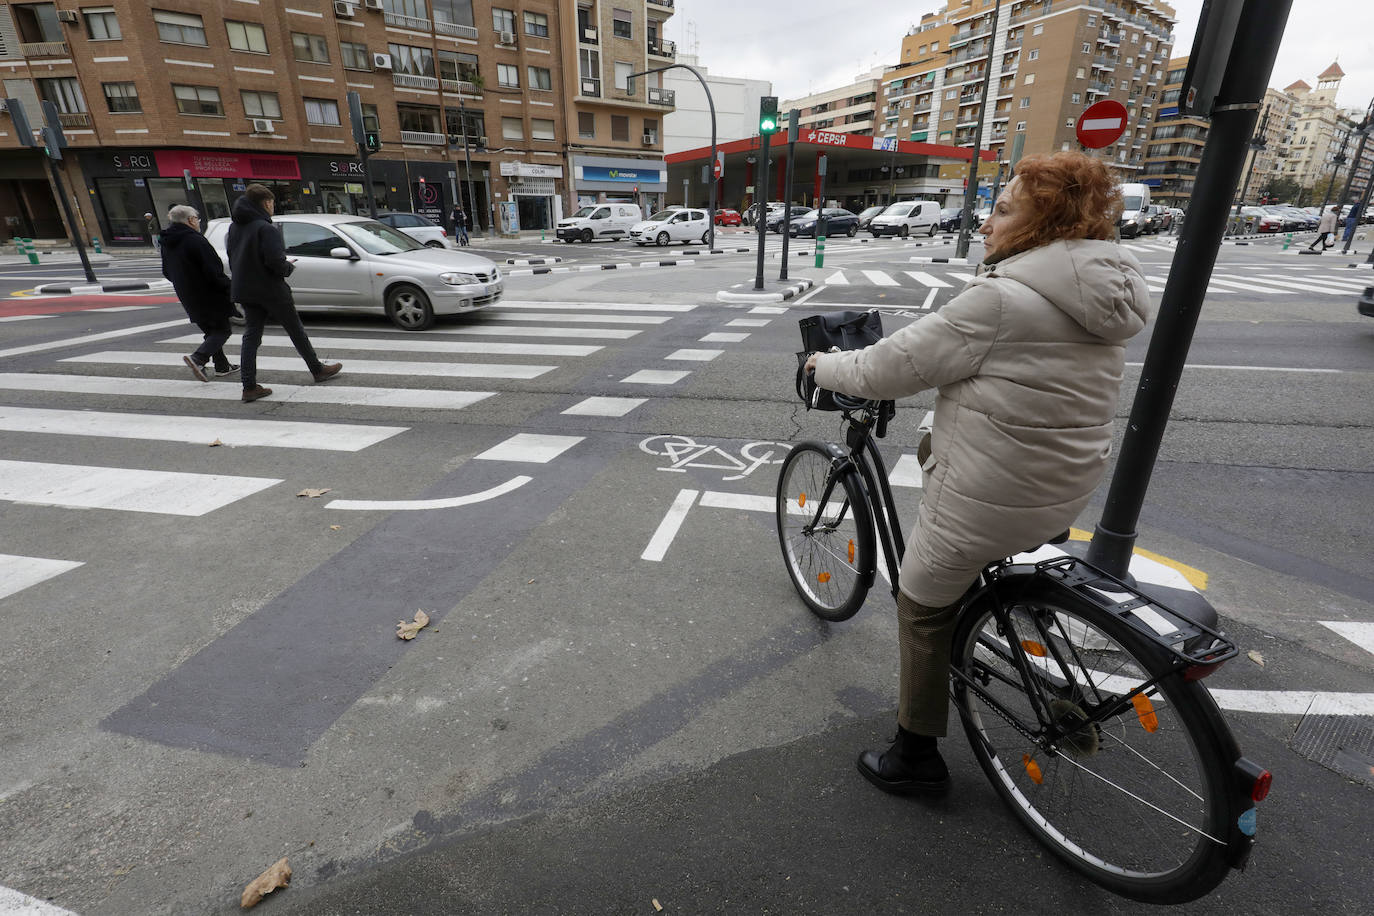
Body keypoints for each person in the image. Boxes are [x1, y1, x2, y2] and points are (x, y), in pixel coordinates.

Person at [804, 151, 1150, 795]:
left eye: (1003, 209)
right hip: (1062, 488)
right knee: (970, 555)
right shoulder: (1103, 294)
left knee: (921, 605)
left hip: (991, 496)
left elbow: (883, 370)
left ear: (1042, 224)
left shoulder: (1001, 299)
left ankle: (915, 756)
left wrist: (821, 366)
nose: (987, 224)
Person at [226, 183, 341, 403]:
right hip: (270, 288)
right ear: (266, 203)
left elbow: (233, 257)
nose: (272, 207)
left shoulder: (234, 227)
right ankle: (317, 370)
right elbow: (274, 261)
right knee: (296, 330)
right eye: (272, 203)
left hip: (246, 289)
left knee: (251, 336)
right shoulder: (266, 228)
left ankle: (248, 386)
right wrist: (288, 267)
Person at [159, 205, 238, 381]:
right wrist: (229, 288)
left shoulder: (166, 242)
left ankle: (222, 366)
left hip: (187, 294)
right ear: (191, 220)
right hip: (208, 294)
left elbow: (166, 271)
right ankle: (199, 358)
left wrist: (183, 283)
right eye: (197, 219)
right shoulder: (196, 240)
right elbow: (213, 271)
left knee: (211, 331)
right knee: (222, 330)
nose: (198, 222)